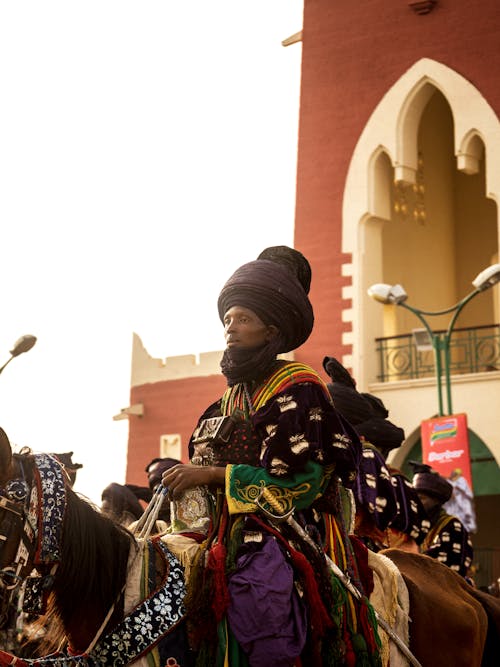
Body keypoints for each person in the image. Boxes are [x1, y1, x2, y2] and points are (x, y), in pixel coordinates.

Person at [161, 247, 381, 667]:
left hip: (289, 527)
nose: (231, 328)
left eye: (244, 319)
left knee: (259, 589)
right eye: (228, 319)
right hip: (218, 527)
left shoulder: (299, 388)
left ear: (272, 331)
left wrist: (208, 475)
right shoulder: (226, 400)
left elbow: (295, 485)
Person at [410, 462, 474, 579]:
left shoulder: (452, 525)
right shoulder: (418, 526)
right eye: (415, 498)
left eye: (422, 498)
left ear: (436, 500)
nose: (417, 503)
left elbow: (450, 567)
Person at [443, 467, 477, 533]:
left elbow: (463, 489)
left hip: (462, 501)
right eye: (454, 473)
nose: (454, 474)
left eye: (456, 474)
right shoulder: (449, 481)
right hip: (452, 504)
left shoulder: (461, 480)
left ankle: (467, 527)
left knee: (466, 514)